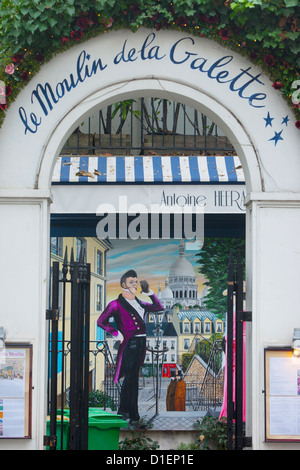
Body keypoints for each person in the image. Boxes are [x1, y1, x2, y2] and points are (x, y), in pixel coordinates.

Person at [97, 269, 163, 424]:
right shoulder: (115, 304)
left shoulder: (140, 302)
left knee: (130, 379)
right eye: (131, 282)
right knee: (132, 380)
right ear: (123, 285)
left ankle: (123, 411)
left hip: (141, 343)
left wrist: (150, 293)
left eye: (136, 281)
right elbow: (101, 321)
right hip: (130, 344)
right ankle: (134, 416)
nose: (135, 284)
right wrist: (115, 333)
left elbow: (159, 308)